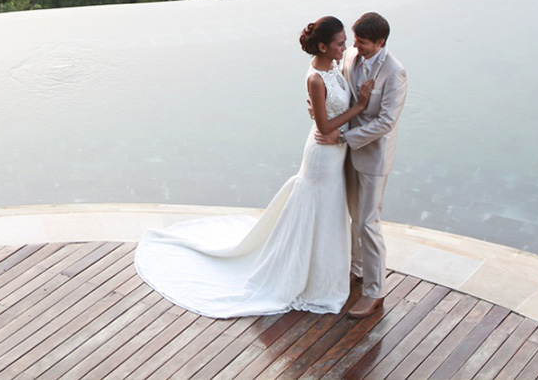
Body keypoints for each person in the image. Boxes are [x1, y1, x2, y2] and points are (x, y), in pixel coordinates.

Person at [132, 16, 374, 318]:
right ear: (323, 47)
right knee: (320, 212)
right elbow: (324, 127)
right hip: (323, 157)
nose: (346, 48)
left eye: (345, 42)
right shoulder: (315, 78)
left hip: (335, 155)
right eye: (340, 44)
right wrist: (360, 107)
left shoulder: (334, 67)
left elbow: (326, 114)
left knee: (329, 214)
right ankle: (309, 279)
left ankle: (325, 274)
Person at [315, 12, 406, 318]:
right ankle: (355, 270)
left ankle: (374, 291)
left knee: (368, 222)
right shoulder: (352, 56)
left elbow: (386, 122)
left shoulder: (395, 73)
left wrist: (344, 136)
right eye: (354, 41)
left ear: (381, 42)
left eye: (363, 43)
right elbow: (338, 90)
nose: (355, 47)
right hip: (345, 153)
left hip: (372, 156)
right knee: (353, 217)